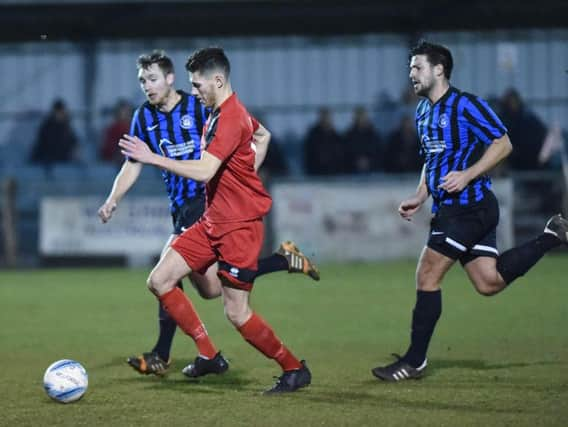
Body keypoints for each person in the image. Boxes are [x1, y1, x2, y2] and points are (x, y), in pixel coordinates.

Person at [98, 50, 319, 378]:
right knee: (210, 289)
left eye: (153, 78)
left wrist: (242, 178)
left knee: (167, 277)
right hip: (186, 208)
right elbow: (133, 163)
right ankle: (283, 260)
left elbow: (239, 149)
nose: (146, 85)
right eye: (142, 80)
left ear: (170, 79)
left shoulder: (203, 107)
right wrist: (113, 198)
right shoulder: (145, 117)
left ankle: (174, 354)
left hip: (206, 205)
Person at [371, 41, 568, 382]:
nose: (411, 74)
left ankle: (414, 361)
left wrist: (467, 174)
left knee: (427, 275)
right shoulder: (422, 112)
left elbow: (503, 143)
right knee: (488, 282)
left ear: (438, 70)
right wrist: (420, 195)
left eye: (417, 67)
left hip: (469, 209)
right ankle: (552, 236)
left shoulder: (466, 106)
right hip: (457, 210)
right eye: (410, 68)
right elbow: (432, 162)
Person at [30, 98, 79, 165]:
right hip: (48, 160)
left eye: (61, 112)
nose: (59, 114)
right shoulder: (47, 126)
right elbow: (42, 143)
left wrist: (75, 149)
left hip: (64, 160)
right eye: (58, 112)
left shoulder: (66, 126)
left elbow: (73, 140)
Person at [100, 99, 133, 166]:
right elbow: (108, 148)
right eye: (122, 111)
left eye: (127, 111)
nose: (125, 114)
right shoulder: (113, 129)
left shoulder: (134, 127)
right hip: (117, 160)